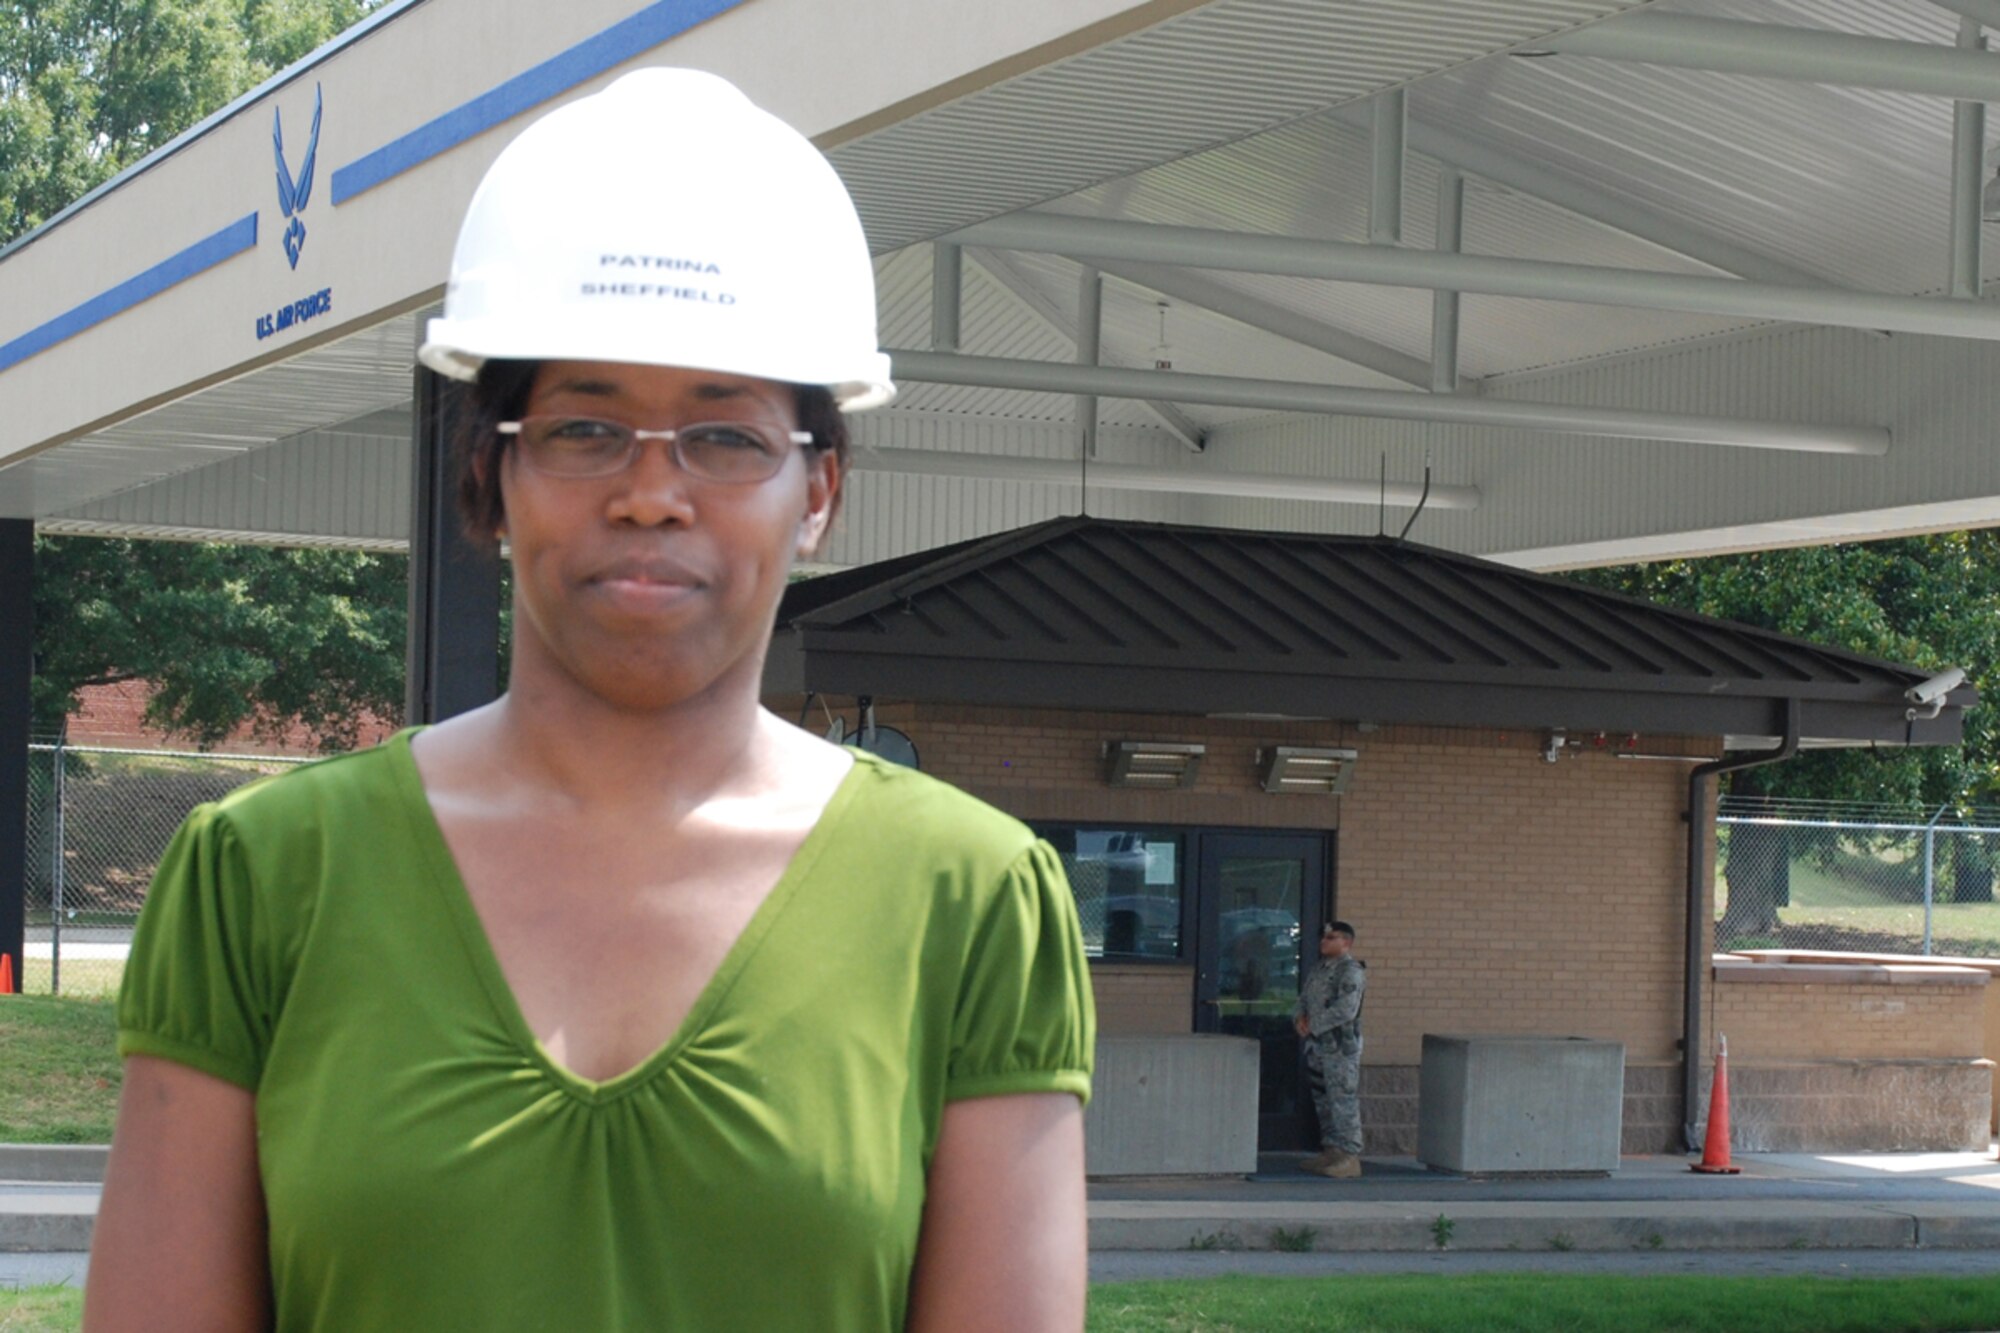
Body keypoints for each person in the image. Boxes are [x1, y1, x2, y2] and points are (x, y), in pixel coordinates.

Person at [83, 69, 1094, 1333]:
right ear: (491, 467)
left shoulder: (971, 900)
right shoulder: (267, 876)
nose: (650, 494)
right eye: (583, 429)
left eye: (725, 437)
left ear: (818, 489)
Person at [1293, 919, 1365, 1178]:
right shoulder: (1319, 969)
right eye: (1323, 937)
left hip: (1340, 1047)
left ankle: (1349, 1155)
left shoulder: (1351, 971)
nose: (1324, 941)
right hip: (1318, 1046)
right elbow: (1304, 998)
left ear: (1346, 942)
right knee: (1323, 1098)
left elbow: (1347, 1009)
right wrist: (1300, 1018)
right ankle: (1332, 1150)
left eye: (1331, 938)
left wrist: (1315, 1024)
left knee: (1342, 1099)